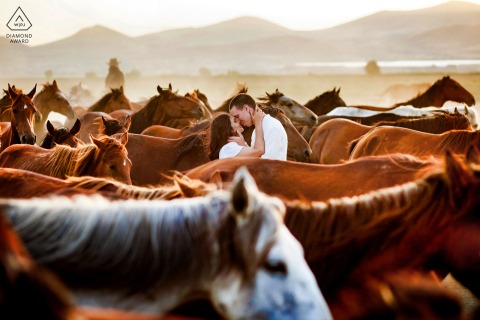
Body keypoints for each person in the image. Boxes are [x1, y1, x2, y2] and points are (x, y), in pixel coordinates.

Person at [229, 93, 288, 160]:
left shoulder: (272, 127)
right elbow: (256, 157)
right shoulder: (258, 129)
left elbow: (269, 162)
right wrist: (243, 144)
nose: (238, 121)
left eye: (237, 116)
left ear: (246, 108)